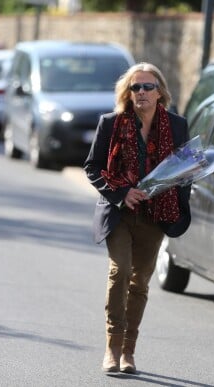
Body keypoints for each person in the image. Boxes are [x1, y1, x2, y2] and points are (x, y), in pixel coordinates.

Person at [84, 62, 191, 375]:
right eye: (135, 87)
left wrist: (182, 182)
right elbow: (92, 168)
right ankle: (111, 348)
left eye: (148, 86)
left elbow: (184, 169)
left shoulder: (177, 125)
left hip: (155, 214)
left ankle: (129, 351)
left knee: (140, 282)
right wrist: (121, 193)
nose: (141, 92)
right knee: (120, 272)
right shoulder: (111, 123)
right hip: (119, 214)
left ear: (160, 93)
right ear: (127, 94)